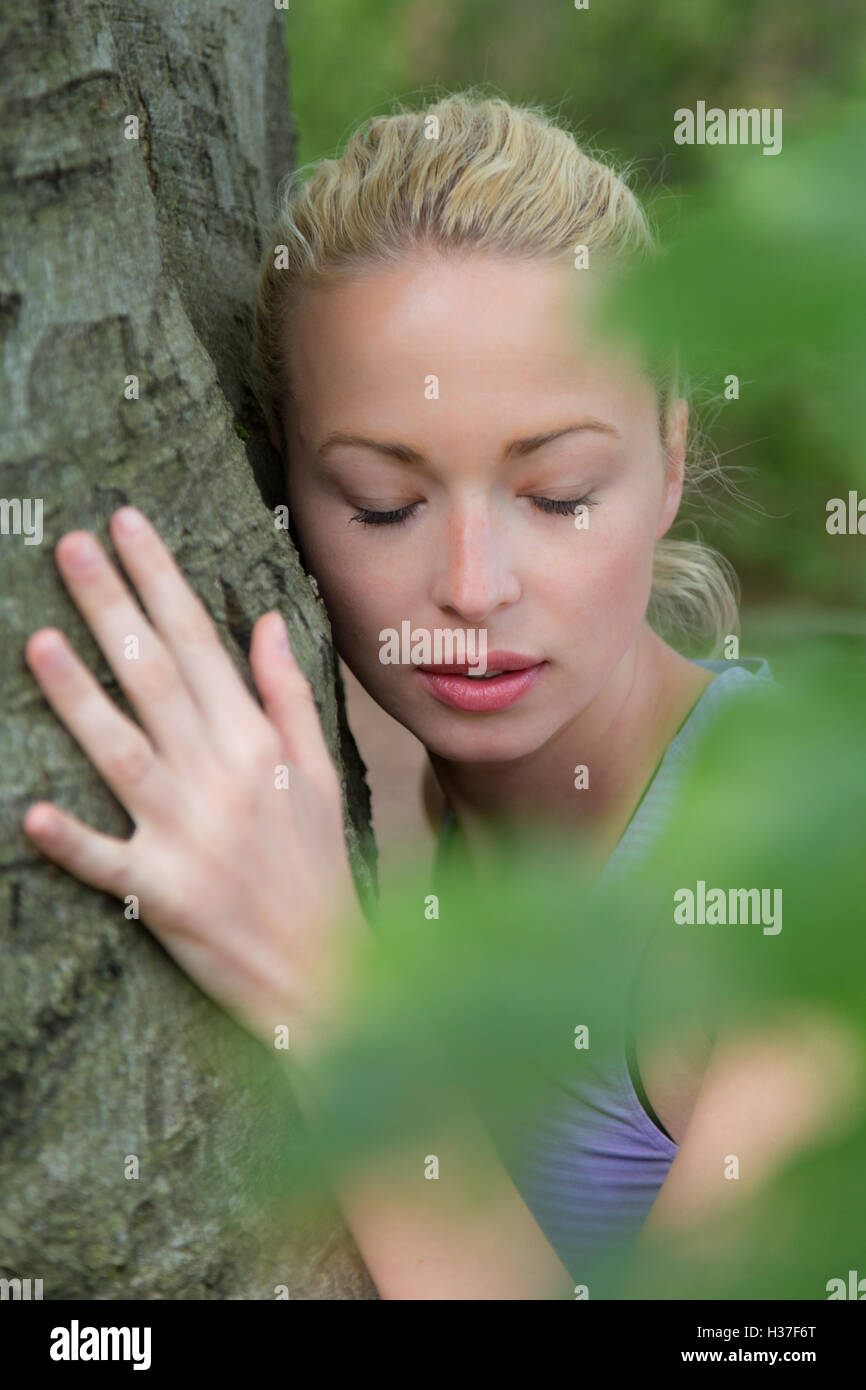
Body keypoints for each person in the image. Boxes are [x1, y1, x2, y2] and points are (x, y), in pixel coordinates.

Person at [21, 92, 857, 1300]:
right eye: (381, 503)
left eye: (560, 491)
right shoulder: (459, 824)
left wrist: (324, 976)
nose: (471, 589)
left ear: (670, 460)